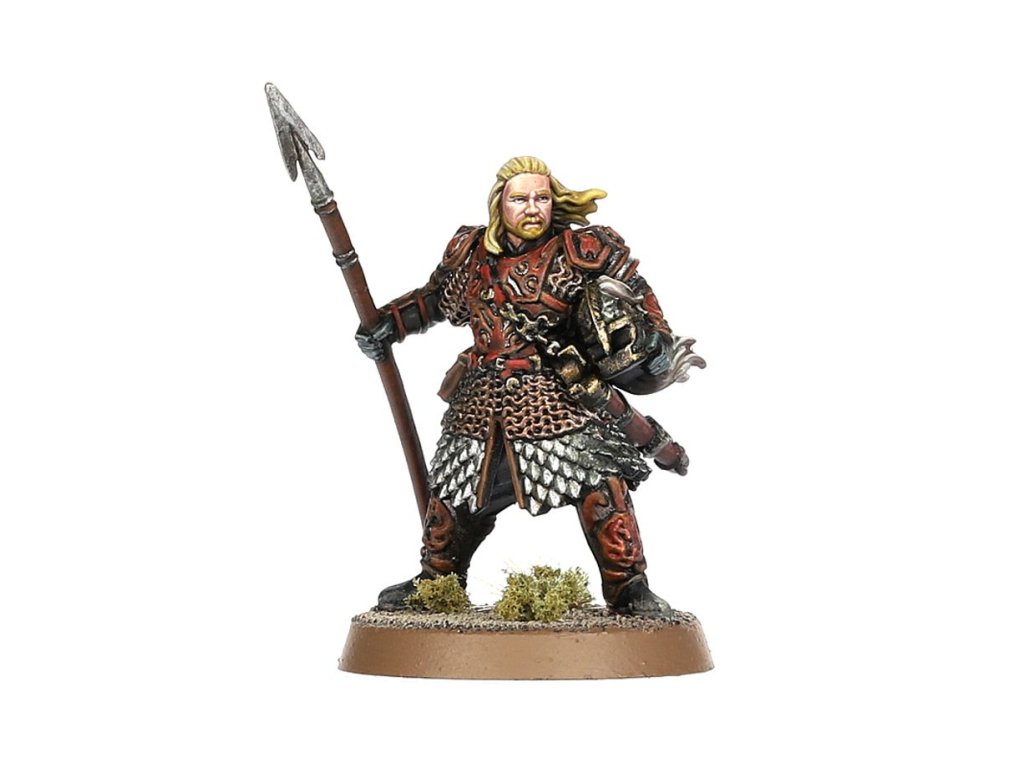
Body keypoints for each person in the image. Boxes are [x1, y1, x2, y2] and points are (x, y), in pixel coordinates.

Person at [356, 156, 701, 616]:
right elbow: (436, 300)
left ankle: (628, 586)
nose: (533, 208)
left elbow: (639, 304)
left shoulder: (581, 251)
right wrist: (391, 323)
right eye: (520, 198)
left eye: (542, 197)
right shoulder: (471, 254)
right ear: (500, 203)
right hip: (481, 397)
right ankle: (437, 580)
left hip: (555, 394)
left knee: (601, 485)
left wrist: (653, 349)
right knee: (455, 491)